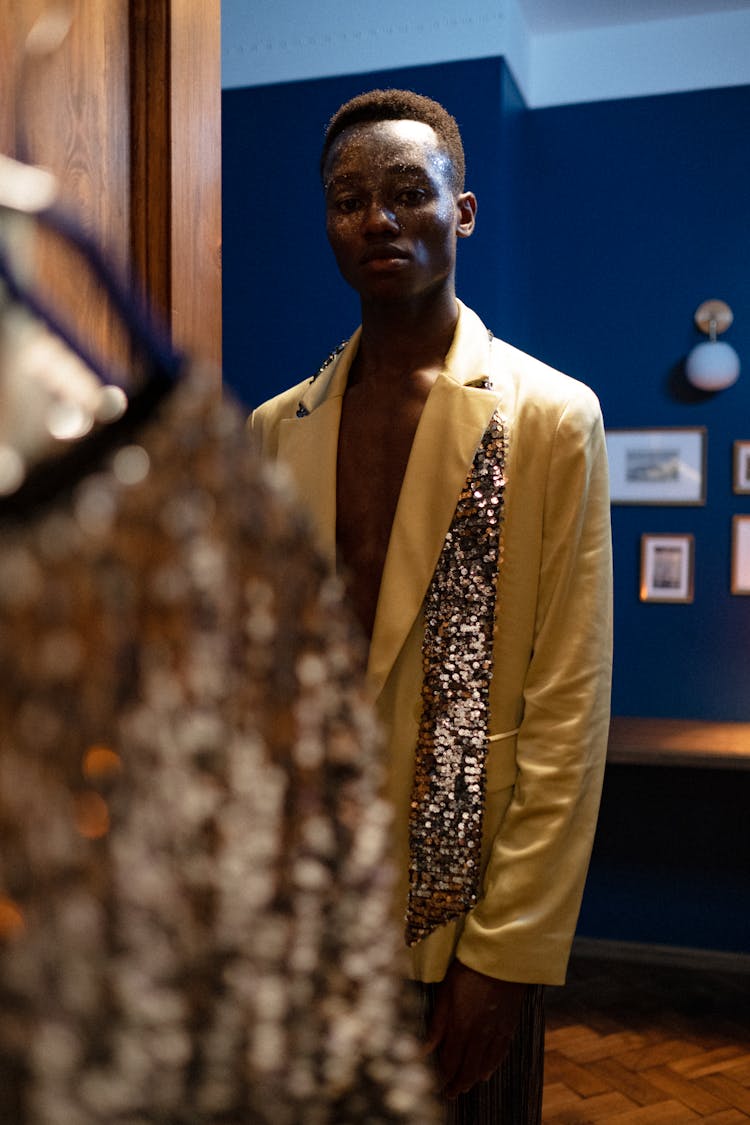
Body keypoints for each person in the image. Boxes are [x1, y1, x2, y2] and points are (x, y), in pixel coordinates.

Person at [251, 88, 613, 1123]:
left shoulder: (548, 416)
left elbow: (569, 705)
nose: (378, 219)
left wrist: (508, 956)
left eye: (409, 192)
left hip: (463, 912)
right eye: (349, 198)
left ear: (461, 210)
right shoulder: (277, 433)